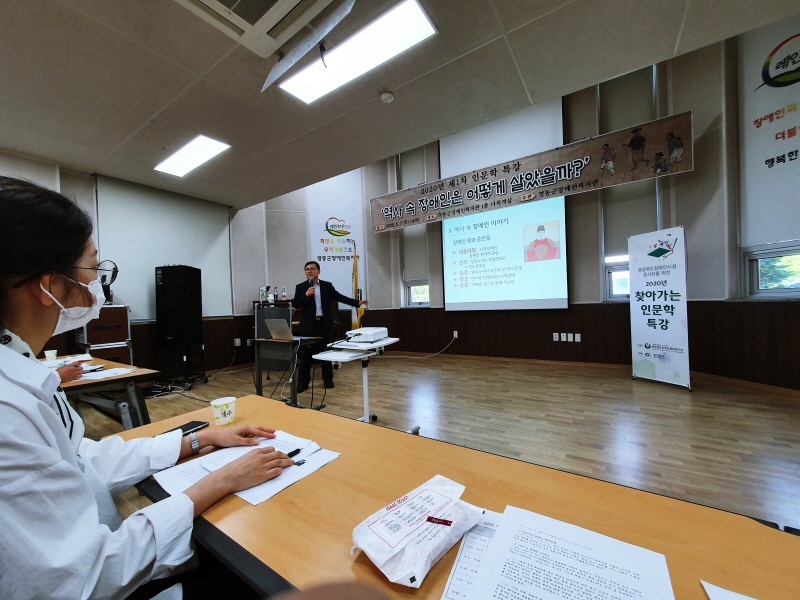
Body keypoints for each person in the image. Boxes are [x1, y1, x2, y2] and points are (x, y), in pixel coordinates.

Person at [0, 176, 294, 600]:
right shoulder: (8, 409)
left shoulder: (19, 370)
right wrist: (219, 482)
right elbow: (83, 577)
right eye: (93, 268)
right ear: (49, 287)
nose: (98, 284)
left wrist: (198, 440)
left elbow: (83, 460)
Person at [292, 261, 367, 392]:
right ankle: (303, 383)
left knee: (326, 353)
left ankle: (328, 379)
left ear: (318, 271)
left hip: (324, 324)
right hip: (308, 326)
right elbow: (296, 304)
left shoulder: (327, 286)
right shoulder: (301, 287)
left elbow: (339, 297)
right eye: (307, 269)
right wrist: (306, 295)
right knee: (305, 355)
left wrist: (356, 302)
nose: (309, 271)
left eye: (312, 269)